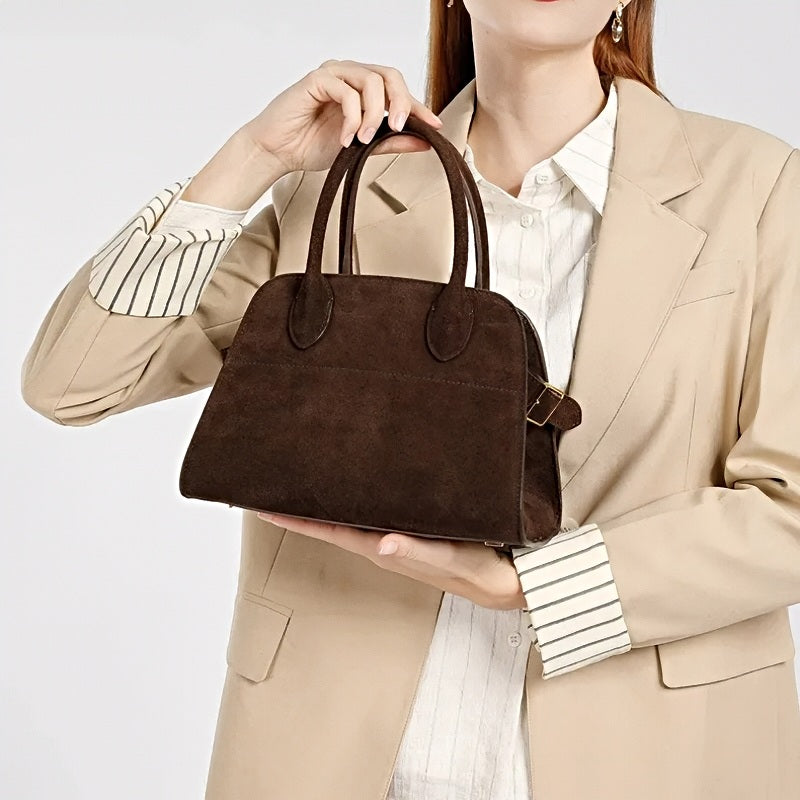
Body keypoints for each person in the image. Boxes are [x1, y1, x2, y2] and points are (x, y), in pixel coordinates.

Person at [20, 0, 800, 798]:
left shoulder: (761, 188)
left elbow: (791, 508)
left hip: (651, 757)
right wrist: (254, 158)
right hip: (331, 756)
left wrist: (529, 586)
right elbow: (73, 383)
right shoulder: (334, 195)